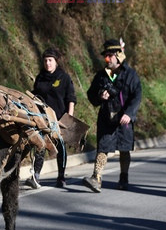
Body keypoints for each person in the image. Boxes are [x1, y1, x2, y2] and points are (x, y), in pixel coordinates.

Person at [83, 38, 142, 192]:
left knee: (124, 149)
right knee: (102, 147)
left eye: (110, 56)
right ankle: (96, 177)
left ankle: (124, 176)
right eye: (105, 56)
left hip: (124, 119)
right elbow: (91, 94)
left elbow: (137, 96)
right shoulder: (102, 75)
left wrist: (129, 113)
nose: (107, 59)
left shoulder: (130, 75)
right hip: (107, 117)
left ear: (118, 55)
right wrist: (99, 96)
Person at [25, 47, 77, 189]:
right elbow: (35, 95)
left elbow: (70, 98)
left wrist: (69, 117)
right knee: (40, 144)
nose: (48, 63)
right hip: (41, 117)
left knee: (61, 148)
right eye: (46, 61)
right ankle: (36, 175)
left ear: (56, 62)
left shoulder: (64, 78)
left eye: (50, 60)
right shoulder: (41, 77)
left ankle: (61, 176)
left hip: (59, 118)